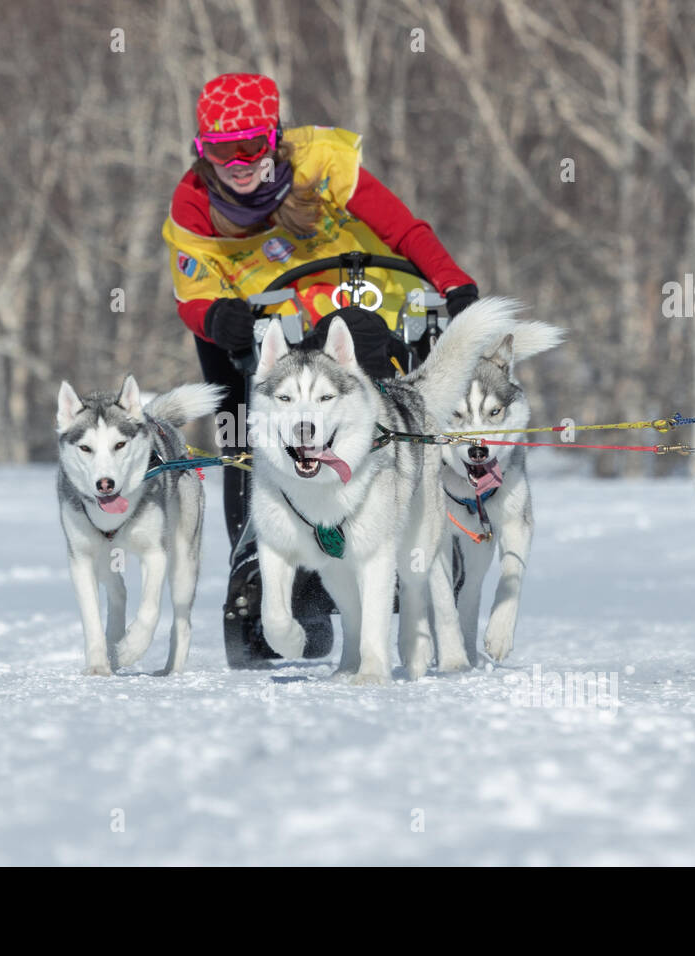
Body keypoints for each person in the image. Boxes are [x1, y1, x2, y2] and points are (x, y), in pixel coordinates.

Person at [161, 72, 478, 666]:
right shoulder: (193, 203)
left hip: (351, 311)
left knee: (361, 361)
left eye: (251, 146)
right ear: (202, 152)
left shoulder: (320, 161)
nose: (238, 162)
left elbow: (403, 229)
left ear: (274, 139)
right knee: (239, 400)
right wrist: (215, 319)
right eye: (221, 150)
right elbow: (190, 294)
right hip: (263, 325)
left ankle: (382, 518)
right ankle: (263, 553)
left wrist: (451, 279)